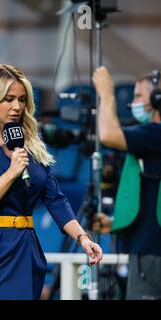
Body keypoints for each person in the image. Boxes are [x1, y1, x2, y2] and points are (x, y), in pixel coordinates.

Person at [0, 64, 103, 300]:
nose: (17, 107)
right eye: (9, 99)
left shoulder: (31, 145)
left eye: (22, 99)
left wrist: (83, 238)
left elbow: (55, 198)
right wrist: (11, 173)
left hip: (28, 253)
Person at [92, 66, 161, 300]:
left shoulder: (156, 134)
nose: (134, 103)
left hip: (152, 254)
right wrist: (114, 223)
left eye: (139, 96)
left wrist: (107, 94)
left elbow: (108, 134)